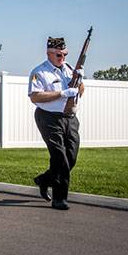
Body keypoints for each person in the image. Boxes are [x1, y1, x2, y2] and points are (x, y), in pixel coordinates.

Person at [28, 36, 84, 210]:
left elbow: (80, 92)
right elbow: (35, 96)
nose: (62, 57)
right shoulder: (40, 72)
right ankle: (59, 199)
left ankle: (44, 180)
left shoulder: (68, 69)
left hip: (70, 118)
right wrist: (61, 93)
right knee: (60, 158)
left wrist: (80, 80)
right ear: (49, 53)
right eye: (58, 55)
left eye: (64, 54)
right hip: (48, 117)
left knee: (71, 158)